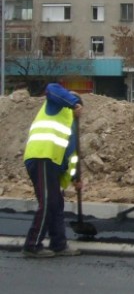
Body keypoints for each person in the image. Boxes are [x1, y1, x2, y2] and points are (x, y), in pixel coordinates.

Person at [22, 83, 84, 258]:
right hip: (42, 156)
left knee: (56, 204)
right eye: (77, 108)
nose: (78, 113)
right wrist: (73, 102)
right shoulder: (55, 105)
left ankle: (59, 244)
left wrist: (75, 178)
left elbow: (71, 158)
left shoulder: (70, 126)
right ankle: (32, 245)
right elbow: (51, 88)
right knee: (48, 202)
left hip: (52, 164)